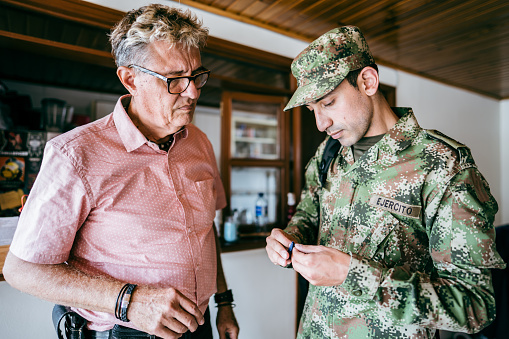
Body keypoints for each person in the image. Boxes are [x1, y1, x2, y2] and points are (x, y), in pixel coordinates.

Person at [3, 4, 239, 339]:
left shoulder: (199, 142)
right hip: (125, 331)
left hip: (197, 327)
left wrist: (224, 303)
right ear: (130, 79)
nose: (193, 92)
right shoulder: (74, 154)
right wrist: (130, 300)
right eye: (174, 80)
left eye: (197, 75)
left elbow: (203, 232)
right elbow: (22, 270)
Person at [266, 26, 506, 338]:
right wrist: (289, 237)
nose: (321, 123)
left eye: (328, 103)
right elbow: (310, 213)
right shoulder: (328, 153)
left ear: (367, 81)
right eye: (313, 110)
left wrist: (355, 275)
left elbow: (475, 305)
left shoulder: (443, 165)